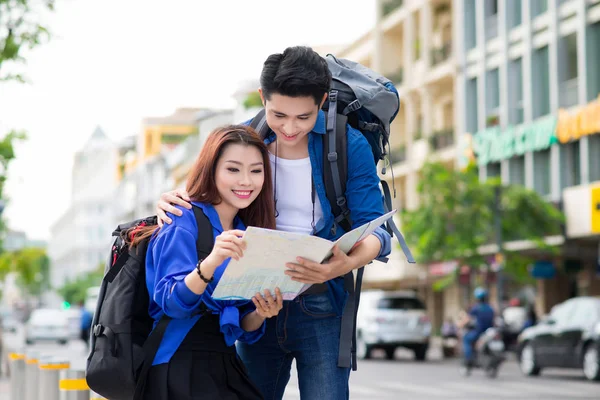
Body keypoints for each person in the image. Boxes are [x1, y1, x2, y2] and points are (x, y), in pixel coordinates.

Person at [155, 46, 392, 400]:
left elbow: (376, 229)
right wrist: (168, 198)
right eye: (279, 114)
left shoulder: (347, 143)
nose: (290, 128)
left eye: (303, 117)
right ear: (263, 97)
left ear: (322, 101)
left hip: (321, 302)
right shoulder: (246, 137)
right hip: (253, 301)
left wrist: (346, 263)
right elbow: (207, 188)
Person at [136, 125, 284, 400]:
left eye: (256, 170)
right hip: (177, 361)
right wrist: (212, 261)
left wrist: (263, 311)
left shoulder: (248, 231)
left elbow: (242, 324)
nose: (246, 181)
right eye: (233, 169)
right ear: (211, 169)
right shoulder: (182, 218)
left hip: (223, 363)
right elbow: (171, 301)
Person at [459, 287, 495, 370]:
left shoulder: (476, 308)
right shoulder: (490, 308)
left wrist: (460, 325)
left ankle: (469, 360)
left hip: (479, 332)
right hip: (489, 331)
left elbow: (466, 319)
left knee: (466, 339)